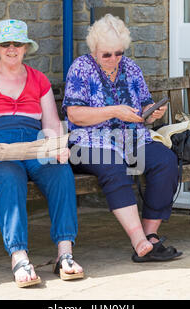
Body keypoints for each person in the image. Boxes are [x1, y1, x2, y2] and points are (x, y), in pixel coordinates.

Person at [0, 19, 84, 288]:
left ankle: (65, 253)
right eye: (5, 44)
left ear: (26, 48)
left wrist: (56, 146)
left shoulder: (39, 80)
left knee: (61, 172)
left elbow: (49, 124)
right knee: (10, 179)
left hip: (34, 149)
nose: (11, 49)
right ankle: (19, 256)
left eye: (17, 44)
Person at [62, 14, 182, 263]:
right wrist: (114, 111)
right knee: (113, 166)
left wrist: (152, 113)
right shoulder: (80, 68)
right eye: (107, 54)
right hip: (89, 141)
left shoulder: (131, 68)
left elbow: (144, 106)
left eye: (118, 53)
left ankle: (151, 237)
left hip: (131, 138)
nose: (114, 59)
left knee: (165, 161)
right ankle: (138, 239)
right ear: (94, 50)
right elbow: (74, 113)